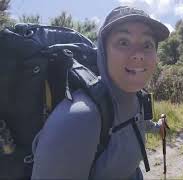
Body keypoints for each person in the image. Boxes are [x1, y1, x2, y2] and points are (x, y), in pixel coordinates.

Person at [31, 6, 170, 180]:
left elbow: (141, 123)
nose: (138, 54)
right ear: (103, 52)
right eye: (123, 42)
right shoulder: (78, 119)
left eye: (147, 44)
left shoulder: (138, 97)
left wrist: (160, 126)